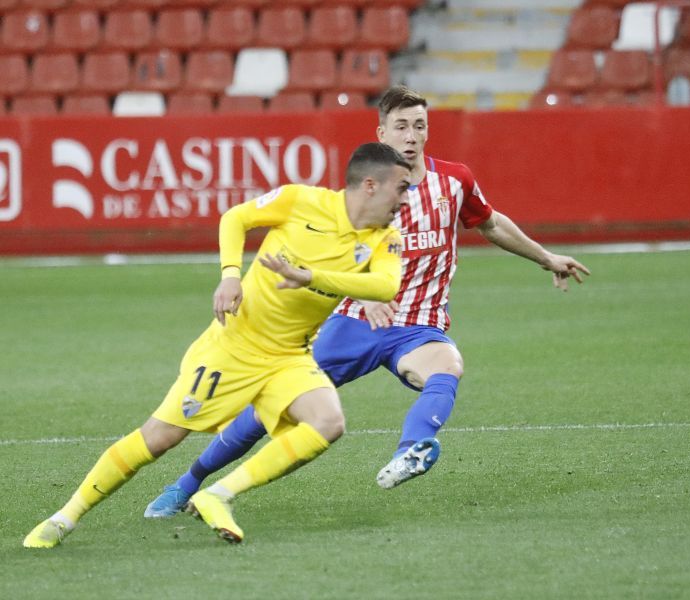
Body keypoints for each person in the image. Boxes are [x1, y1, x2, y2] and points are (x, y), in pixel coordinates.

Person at [144, 85, 590, 518]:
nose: (411, 135)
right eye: (401, 127)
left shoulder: (454, 182)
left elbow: (491, 224)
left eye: (420, 126)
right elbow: (334, 255)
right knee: (267, 410)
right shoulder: (369, 192)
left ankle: (410, 452)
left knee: (447, 367)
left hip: (418, 325)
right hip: (354, 321)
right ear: (382, 134)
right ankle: (186, 484)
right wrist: (361, 290)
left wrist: (546, 257)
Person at [23, 142, 411, 548]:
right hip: (235, 346)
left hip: (288, 356)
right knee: (159, 437)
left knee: (328, 422)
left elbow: (386, 285)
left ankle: (216, 495)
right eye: (401, 188)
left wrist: (309, 275)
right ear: (370, 184)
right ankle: (63, 518)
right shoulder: (300, 200)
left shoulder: (386, 238)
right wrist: (230, 275)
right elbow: (236, 218)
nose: (406, 198)